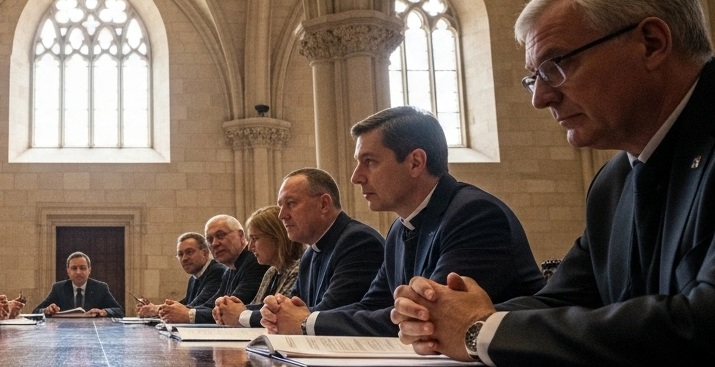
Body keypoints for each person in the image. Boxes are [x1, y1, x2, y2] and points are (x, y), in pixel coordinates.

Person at [392, 0, 715, 367]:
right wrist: (442, 317)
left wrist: (481, 331)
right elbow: (565, 301)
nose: (540, 98)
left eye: (557, 65)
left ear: (652, 43)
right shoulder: (613, 183)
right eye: (534, 78)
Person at [266, 111, 544, 336]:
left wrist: (306, 323)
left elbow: (426, 315)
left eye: (369, 161)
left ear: (415, 163)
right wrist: (306, 318)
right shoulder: (400, 228)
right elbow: (371, 304)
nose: (356, 177)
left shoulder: (474, 214)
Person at [256, 168, 384, 332]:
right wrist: (272, 310)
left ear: (324, 204)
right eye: (281, 206)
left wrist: (283, 315)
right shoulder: (309, 253)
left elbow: (331, 312)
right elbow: (293, 306)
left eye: (291, 204)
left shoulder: (359, 241)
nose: (281, 215)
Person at [160, 215, 267, 324]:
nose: (215, 243)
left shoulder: (255, 262)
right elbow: (211, 305)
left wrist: (188, 314)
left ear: (240, 235)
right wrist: (180, 311)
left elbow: (229, 310)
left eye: (220, 235)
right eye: (210, 240)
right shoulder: (229, 270)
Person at [214, 206, 303, 326]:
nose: (250, 247)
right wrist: (226, 308)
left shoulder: (299, 269)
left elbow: (280, 314)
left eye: (255, 239)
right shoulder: (271, 271)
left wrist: (239, 313)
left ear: (277, 238)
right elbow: (258, 306)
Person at [137, 233, 224, 319]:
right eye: (180, 254)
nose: (184, 258)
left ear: (205, 253)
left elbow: (198, 307)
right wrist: (154, 308)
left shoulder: (218, 271)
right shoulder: (193, 278)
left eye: (189, 252)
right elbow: (185, 304)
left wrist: (156, 309)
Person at [37, 252, 122, 317]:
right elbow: (36, 311)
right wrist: (46, 310)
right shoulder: (58, 288)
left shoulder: (101, 288)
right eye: (74, 268)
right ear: (68, 271)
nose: (78, 272)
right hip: (65, 333)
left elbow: (120, 311)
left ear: (89, 270)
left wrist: (104, 312)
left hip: (91, 332)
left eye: (82, 268)